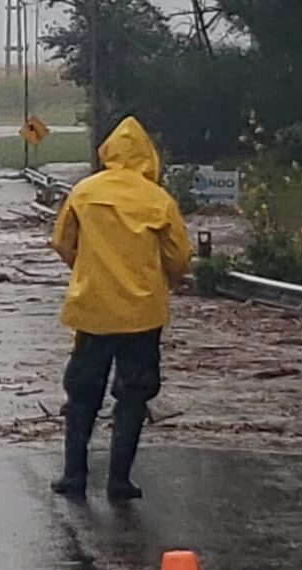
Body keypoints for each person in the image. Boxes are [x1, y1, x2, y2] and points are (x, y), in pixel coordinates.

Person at [49, 116, 193, 501]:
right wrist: (166, 280)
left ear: (109, 152)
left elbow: (62, 241)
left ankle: (74, 477)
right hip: (142, 316)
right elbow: (179, 256)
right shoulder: (157, 199)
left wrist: (87, 269)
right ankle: (119, 481)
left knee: (82, 394)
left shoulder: (84, 192)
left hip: (92, 310)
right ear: (148, 156)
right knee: (133, 394)